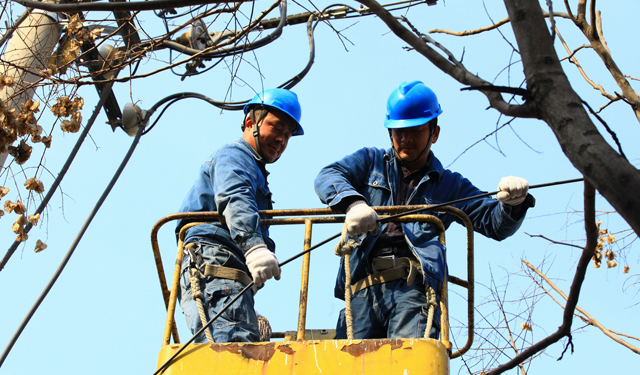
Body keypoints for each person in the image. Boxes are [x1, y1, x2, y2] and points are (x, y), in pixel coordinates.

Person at [314, 81, 535, 340]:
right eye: (398, 131)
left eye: (415, 131)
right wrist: (355, 204)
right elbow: (327, 176)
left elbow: (494, 224)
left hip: (412, 290)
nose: (405, 138)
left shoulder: (449, 185)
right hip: (363, 289)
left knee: (407, 362)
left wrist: (513, 203)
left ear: (434, 133)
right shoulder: (371, 161)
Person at [175, 88, 303, 343]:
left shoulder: (254, 169)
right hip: (214, 266)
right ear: (250, 123)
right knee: (234, 356)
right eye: (277, 129)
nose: (281, 140)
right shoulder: (235, 155)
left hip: (221, 273)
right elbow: (235, 197)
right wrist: (255, 247)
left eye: (287, 135)